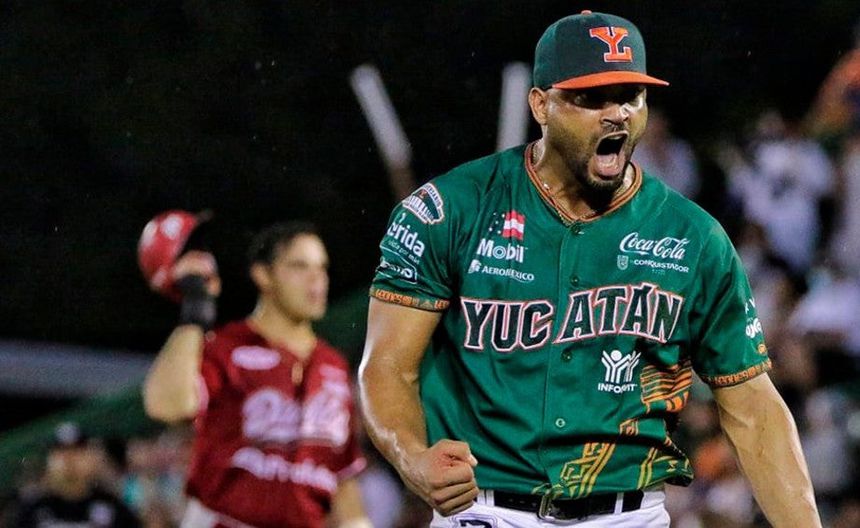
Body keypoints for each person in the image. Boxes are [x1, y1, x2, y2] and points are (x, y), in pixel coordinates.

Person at [359, 10, 821, 527]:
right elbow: (387, 367)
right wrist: (412, 458)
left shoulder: (693, 238)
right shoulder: (452, 209)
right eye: (591, 98)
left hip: (627, 515)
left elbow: (753, 409)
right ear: (541, 105)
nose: (617, 114)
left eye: (631, 96)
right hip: (486, 510)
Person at [142, 220, 370, 528]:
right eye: (299, 266)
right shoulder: (227, 347)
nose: (317, 278)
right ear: (263, 275)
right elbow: (166, 405)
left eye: (322, 267)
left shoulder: (333, 365)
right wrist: (195, 312)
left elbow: (340, 475)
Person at [10, 422, 142, 528]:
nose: (69, 460)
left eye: (77, 453)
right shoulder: (31, 510)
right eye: (61, 453)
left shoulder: (114, 507)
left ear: (90, 458)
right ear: (50, 460)